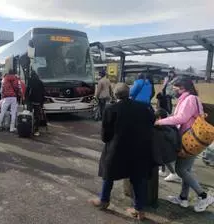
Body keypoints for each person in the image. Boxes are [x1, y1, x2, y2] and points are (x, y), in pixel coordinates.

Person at [88, 83, 155, 221]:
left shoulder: (111, 109)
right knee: (138, 177)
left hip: (118, 148)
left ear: (115, 94)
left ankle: (104, 200)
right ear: (129, 93)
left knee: (109, 172)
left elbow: (105, 135)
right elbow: (151, 122)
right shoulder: (143, 107)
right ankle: (139, 210)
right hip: (140, 148)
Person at [155, 77, 214, 212]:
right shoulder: (189, 98)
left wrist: (160, 122)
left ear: (183, 88)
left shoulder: (190, 99)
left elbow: (182, 118)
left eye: (175, 88)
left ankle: (203, 196)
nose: (173, 90)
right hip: (191, 140)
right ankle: (183, 198)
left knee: (181, 170)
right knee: (185, 170)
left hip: (190, 140)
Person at [154, 108, 181, 182]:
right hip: (174, 148)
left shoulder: (162, 127)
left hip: (169, 151)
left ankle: (173, 173)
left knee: (164, 158)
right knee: (163, 154)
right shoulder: (170, 124)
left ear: (159, 118)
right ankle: (163, 171)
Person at [25, 70, 45, 136]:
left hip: (30, 101)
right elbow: (43, 93)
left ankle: (29, 128)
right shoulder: (40, 82)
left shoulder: (30, 81)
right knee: (37, 116)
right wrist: (42, 102)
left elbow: (27, 91)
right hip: (38, 101)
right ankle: (36, 130)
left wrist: (26, 100)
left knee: (29, 114)